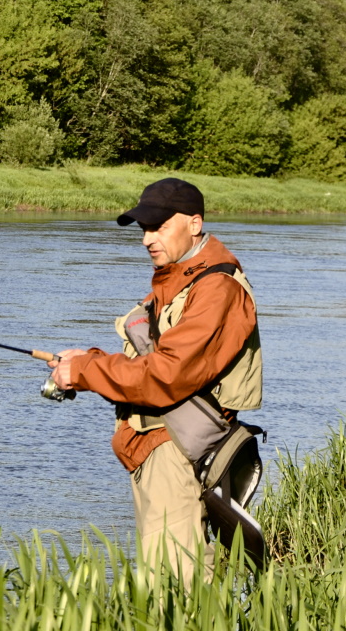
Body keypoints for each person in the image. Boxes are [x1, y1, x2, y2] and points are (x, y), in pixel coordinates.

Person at [47, 178, 262, 586]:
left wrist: (85, 372)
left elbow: (166, 374)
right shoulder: (178, 276)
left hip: (177, 449)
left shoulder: (217, 288)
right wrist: (88, 361)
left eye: (159, 226)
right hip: (156, 445)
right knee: (165, 579)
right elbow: (153, 359)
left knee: (173, 587)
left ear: (194, 224)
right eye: (144, 228)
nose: (147, 239)